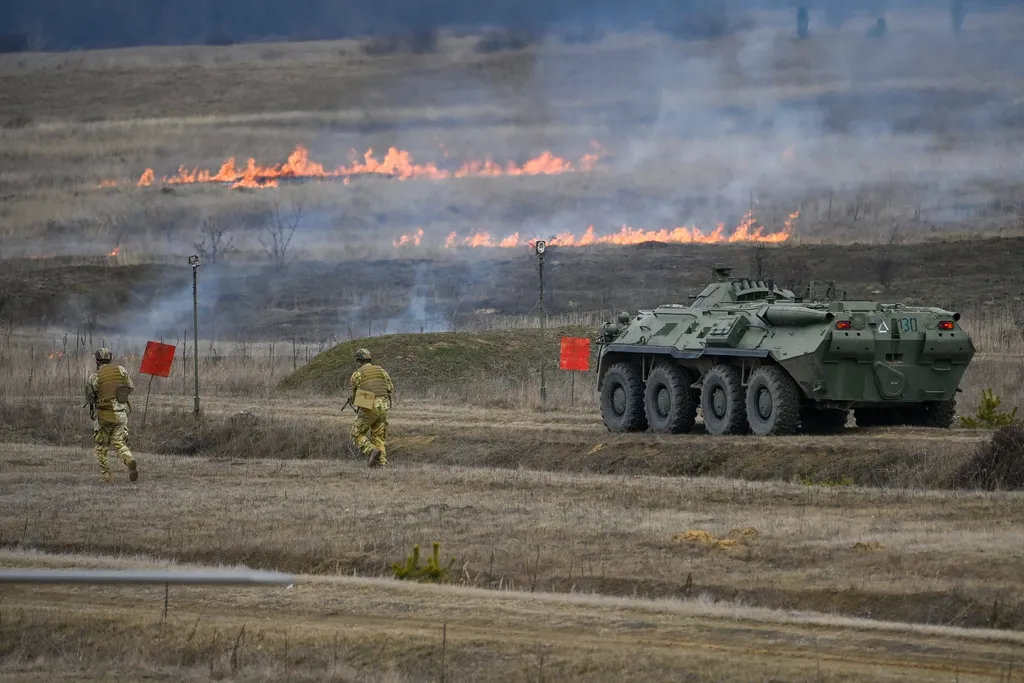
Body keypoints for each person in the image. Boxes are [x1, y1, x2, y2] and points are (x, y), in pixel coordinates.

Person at [84, 348, 138, 483]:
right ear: (110, 359)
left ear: (97, 361)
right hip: (121, 415)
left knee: (101, 446)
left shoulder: (94, 377)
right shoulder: (121, 370)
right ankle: (129, 459)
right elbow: (130, 388)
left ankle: (107, 476)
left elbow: (90, 399)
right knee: (119, 442)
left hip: (104, 416)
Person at [348, 347, 393, 468]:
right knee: (378, 436)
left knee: (356, 434)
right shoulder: (381, 371)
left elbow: (355, 393)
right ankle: (382, 463)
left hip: (370, 406)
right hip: (384, 406)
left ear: (359, 361)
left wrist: (359, 402)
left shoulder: (357, 374)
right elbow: (390, 388)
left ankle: (371, 450)